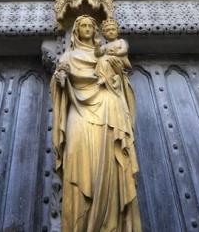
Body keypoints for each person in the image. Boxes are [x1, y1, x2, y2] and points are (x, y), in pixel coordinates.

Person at [51, 15, 142, 232]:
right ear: (76, 31)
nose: (87, 29)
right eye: (82, 26)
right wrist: (60, 79)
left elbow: (120, 79)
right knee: (77, 160)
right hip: (79, 111)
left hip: (109, 111)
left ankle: (112, 224)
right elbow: (59, 79)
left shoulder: (108, 52)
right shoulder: (68, 56)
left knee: (110, 162)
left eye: (90, 26)